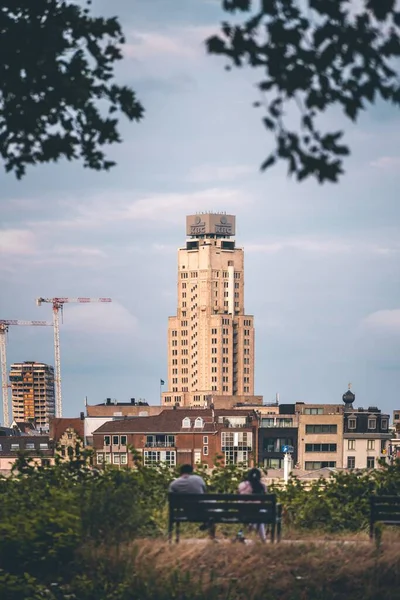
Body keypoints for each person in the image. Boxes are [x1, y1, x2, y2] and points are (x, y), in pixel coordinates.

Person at [169, 464, 216, 539]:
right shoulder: (198, 479)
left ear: (180, 472)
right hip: (202, 511)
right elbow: (204, 492)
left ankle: (173, 538)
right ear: (191, 471)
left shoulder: (174, 484)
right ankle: (212, 536)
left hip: (186, 512)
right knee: (212, 506)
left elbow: (172, 499)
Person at [237, 467, 267, 543]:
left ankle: (248, 527)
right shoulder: (262, 487)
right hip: (257, 512)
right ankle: (263, 539)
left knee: (256, 516)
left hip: (243, 512)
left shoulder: (242, 485)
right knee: (260, 516)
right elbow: (264, 502)